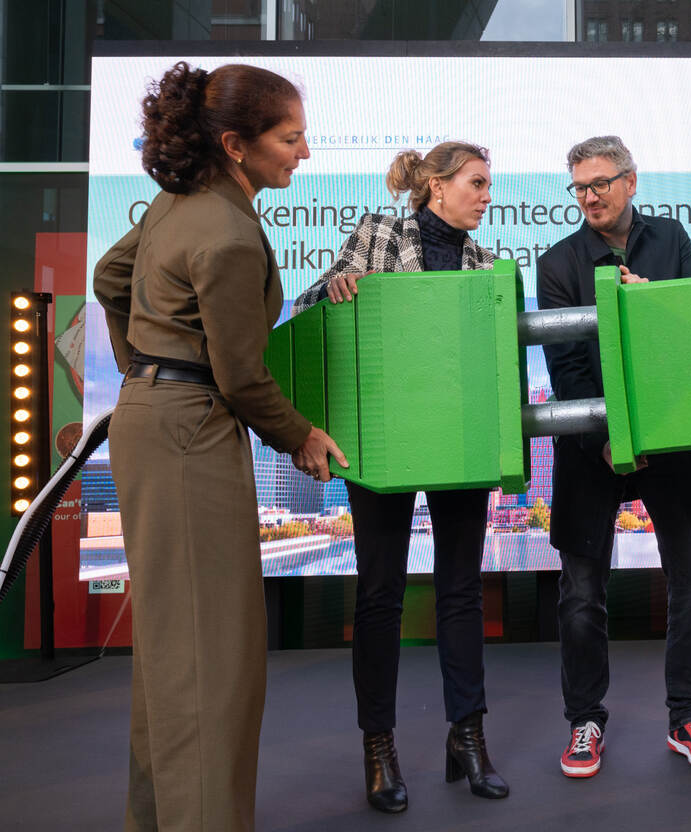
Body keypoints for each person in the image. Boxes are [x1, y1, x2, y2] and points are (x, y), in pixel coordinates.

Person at [93, 61, 345, 831]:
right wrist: (301, 436)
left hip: (155, 423)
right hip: (189, 434)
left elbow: (110, 278)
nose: (303, 153)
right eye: (290, 138)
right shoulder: (230, 232)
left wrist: (143, 366)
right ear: (236, 145)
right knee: (217, 666)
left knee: (176, 656)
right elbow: (240, 374)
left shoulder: (179, 203)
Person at [292, 141, 508, 811]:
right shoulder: (381, 231)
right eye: (475, 182)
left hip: (458, 444)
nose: (486, 194)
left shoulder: (488, 263)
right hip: (381, 443)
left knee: (462, 592)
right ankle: (378, 748)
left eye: (488, 184)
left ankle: (467, 737)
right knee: (380, 596)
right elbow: (311, 311)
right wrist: (334, 287)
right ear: (436, 187)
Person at [537, 135, 691, 777]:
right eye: (579, 187)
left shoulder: (672, 239)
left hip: (675, 442)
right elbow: (566, 369)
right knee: (581, 596)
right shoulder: (557, 262)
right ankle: (585, 724)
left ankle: (688, 717)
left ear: (630, 182)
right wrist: (611, 442)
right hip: (595, 449)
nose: (589, 197)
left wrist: (651, 304)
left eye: (599, 183)